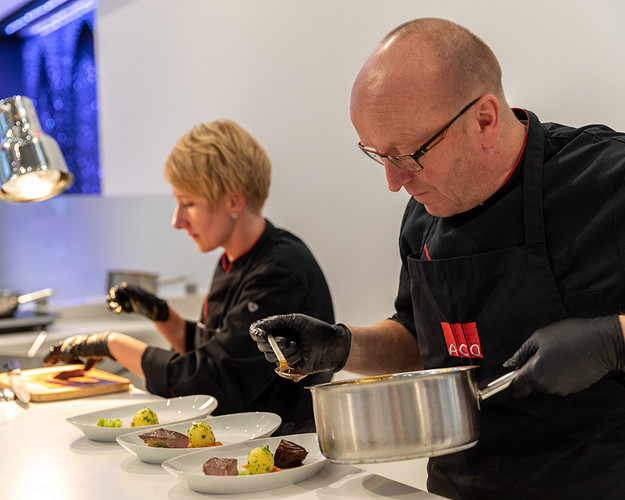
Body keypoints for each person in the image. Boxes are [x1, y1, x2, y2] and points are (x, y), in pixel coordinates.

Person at [249, 17, 625, 499]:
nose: (392, 181)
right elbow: (420, 339)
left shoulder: (607, 182)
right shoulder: (422, 213)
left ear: (485, 119)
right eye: (376, 154)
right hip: (453, 489)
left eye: (406, 154)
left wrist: (614, 338)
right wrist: (343, 347)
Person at [44, 119, 334, 434]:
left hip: (285, 451)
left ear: (234, 200)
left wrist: (110, 343)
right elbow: (218, 346)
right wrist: (161, 314)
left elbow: (209, 381)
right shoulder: (232, 259)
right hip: (243, 441)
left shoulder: (281, 270)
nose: (177, 220)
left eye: (188, 203)